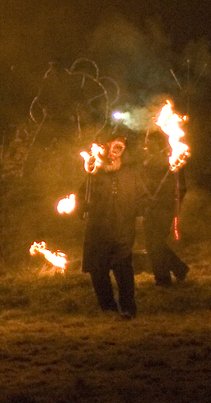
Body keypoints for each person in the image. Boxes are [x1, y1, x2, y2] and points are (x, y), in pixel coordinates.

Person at [78, 136, 149, 320]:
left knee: (123, 269)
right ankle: (108, 307)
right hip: (98, 231)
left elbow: (142, 197)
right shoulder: (94, 176)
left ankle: (127, 308)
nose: (111, 155)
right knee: (98, 270)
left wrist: (141, 210)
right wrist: (82, 207)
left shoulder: (130, 174)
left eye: (116, 149)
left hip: (122, 230)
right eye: (107, 149)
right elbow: (82, 199)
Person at [144, 150, 190, 287]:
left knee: (157, 243)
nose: (147, 146)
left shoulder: (172, 162)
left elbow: (181, 188)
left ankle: (163, 279)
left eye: (151, 143)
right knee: (151, 244)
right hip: (150, 208)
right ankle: (178, 269)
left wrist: (169, 202)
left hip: (165, 209)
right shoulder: (147, 163)